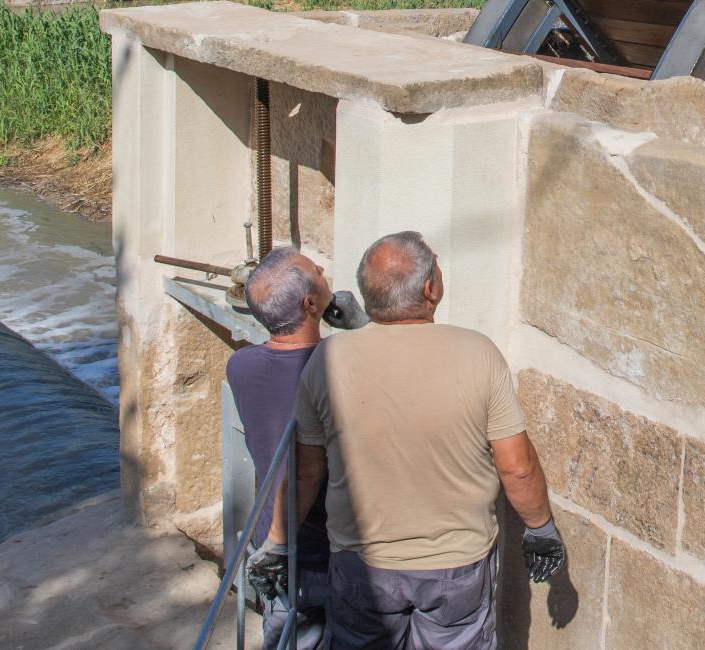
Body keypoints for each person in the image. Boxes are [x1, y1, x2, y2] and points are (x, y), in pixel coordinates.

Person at [261, 230, 564, 650]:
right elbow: (517, 465)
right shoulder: (479, 353)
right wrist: (541, 529)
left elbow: (306, 472)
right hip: (455, 568)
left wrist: (276, 543)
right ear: (430, 288)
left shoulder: (328, 360)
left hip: (361, 567)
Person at [227, 247, 335, 650]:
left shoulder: (241, 366)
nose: (323, 270)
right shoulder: (337, 370)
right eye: (316, 273)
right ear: (310, 303)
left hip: (272, 541)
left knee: (286, 636)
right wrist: (357, 326)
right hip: (326, 544)